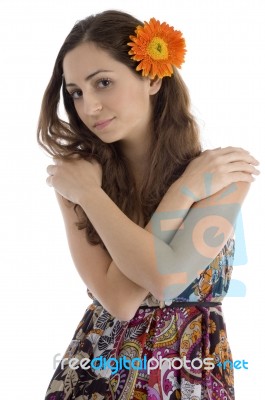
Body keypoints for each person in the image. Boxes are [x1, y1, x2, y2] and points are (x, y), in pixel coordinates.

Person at [37, 9, 260, 400]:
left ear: (153, 77)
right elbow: (120, 301)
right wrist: (180, 194)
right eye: (76, 92)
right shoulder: (80, 181)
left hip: (192, 377)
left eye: (103, 83)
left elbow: (167, 280)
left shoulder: (221, 175)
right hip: (96, 375)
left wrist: (187, 187)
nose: (89, 107)